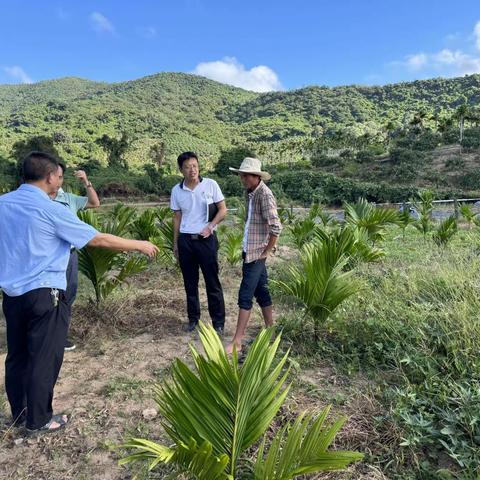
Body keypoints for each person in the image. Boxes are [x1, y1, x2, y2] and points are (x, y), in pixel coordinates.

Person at [0, 151, 158, 434]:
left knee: (18, 356)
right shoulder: (51, 209)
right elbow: (96, 238)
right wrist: (138, 244)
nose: (59, 183)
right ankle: (39, 420)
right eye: (58, 177)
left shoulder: (3, 203)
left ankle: (19, 414)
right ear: (49, 176)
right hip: (45, 295)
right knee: (44, 357)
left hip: (12, 294)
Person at [225, 157, 282, 354]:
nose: (242, 178)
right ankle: (270, 328)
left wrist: (266, 251)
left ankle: (237, 341)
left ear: (256, 176)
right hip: (250, 250)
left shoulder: (264, 195)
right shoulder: (250, 193)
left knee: (245, 295)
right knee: (262, 292)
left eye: (246, 175)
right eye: (241, 175)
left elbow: (276, 227)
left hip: (257, 254)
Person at [170, 151, 227, 334]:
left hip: (206, 239)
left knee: (212, 281)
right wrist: (176, 243)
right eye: (187, 167)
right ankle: (193, 319)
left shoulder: (210, 185)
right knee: (190, 283)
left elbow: (222, 210)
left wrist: (210, 226)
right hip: (186, 240)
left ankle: (218, 322)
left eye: (194, 165)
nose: (192, 170)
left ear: (199, 166)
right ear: (181, 170)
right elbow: (177, 218)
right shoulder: (176, 190)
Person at [51, 164, 100, 351]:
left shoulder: (68, 199)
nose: (57, 180)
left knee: (68, 293)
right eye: (54, 176)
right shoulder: (40, 200)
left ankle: (61, 335)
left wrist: (86, 182)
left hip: (69, 254)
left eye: (60, 176)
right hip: (49, 255)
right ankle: (47, 332)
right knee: (47, 295)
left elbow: (95, 203)